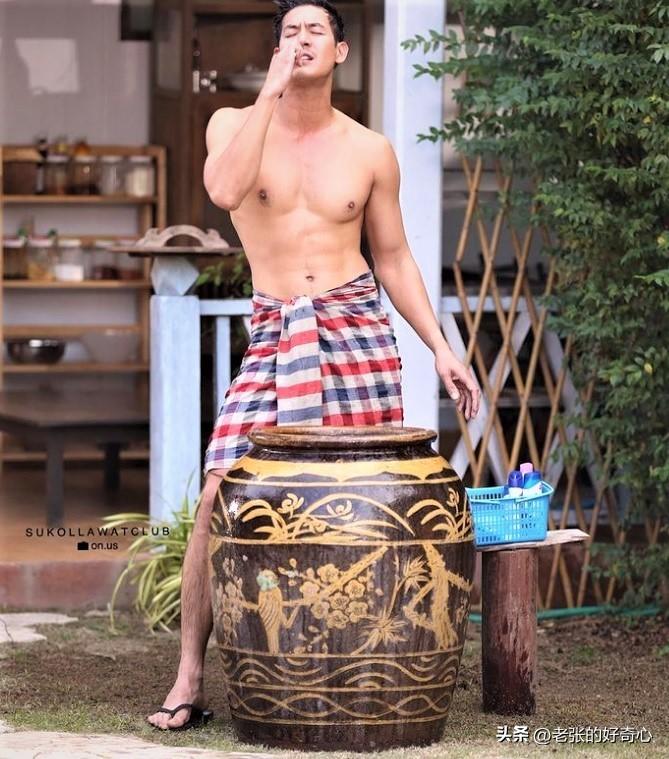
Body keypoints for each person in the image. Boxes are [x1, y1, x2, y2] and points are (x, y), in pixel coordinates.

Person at [148, 0, 480, 730]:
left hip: (356, 328)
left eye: (315, 31)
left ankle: (361, 668)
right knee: (220, 492)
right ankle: (188, 676)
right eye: (290, 32)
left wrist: (440, 347)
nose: (302, 41)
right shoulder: (232, 125)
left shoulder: (370, 149)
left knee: (366, 500)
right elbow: (223, 191)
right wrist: (269, 90)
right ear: (276, 49)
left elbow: (392, 256)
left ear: (340, 52)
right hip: (276, 331)